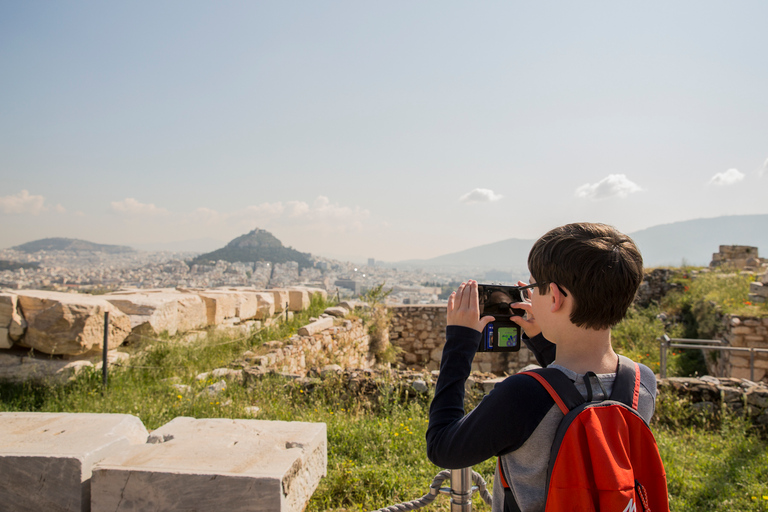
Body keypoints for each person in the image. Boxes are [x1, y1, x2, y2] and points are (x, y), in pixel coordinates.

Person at [426, 222, 657, 512]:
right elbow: (578, 394)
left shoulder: (523, 393)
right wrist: (544, 336)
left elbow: (443, 447)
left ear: (556, 298)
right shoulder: (641, 382)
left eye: (534, 287)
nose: (529, 296)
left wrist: (459, 343)